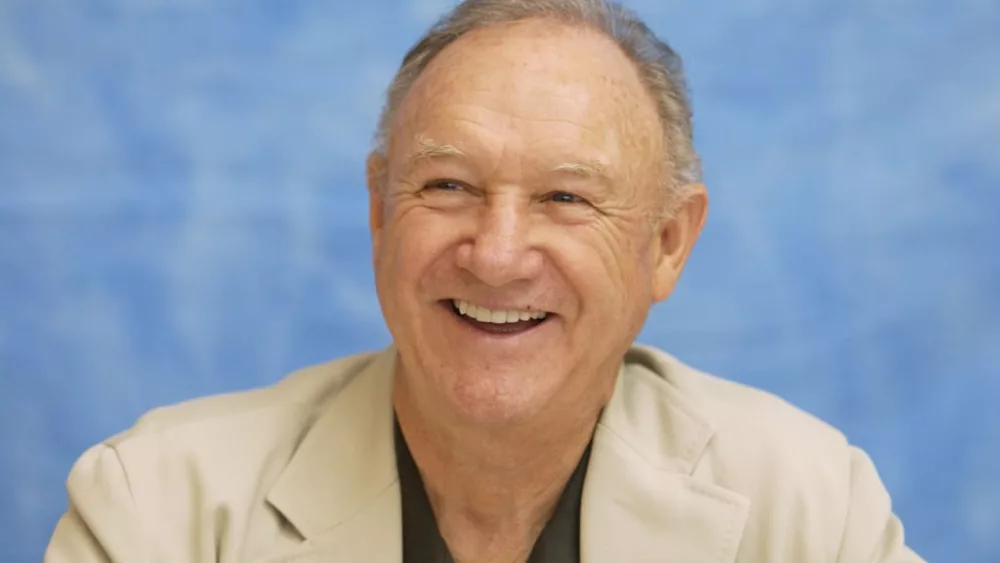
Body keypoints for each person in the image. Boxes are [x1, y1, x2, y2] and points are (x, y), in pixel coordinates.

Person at [45, 0, 925, 561]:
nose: (497, 254)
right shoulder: (156, 510)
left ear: (666, 242)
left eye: (565, 196)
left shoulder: (809, 507)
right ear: (381, 212)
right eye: (448, 186)